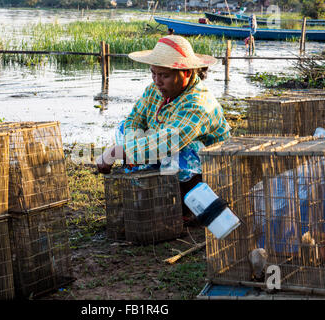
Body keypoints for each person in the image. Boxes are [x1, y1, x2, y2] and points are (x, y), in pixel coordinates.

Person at [96, 35, 231, 224]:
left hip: (211, 171)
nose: (157, 81)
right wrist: (131, 144)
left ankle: (189, 209)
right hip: (164, 151)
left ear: (185, 73)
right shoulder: (154, 89)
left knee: (183, 150)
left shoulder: (197, 103)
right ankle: (157, 197)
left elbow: (169, 142)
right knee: (123, 129)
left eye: (164, 76)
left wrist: (120, 151)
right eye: (154, 73)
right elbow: (134, 119)